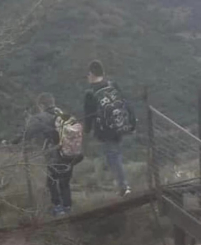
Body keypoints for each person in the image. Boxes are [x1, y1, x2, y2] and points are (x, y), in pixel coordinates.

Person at [12, 92, 79, 216]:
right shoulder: (63, 114)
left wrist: (14, 141)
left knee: (52, 181)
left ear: (41, 105)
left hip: (55, 154)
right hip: (70, 152)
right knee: (64, 181)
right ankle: (68, 207)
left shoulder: (40, 117)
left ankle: (58, 208)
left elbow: (28, 132)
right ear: (53, 102)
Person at [84, 60, 136, 197]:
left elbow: (88, 116)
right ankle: (121, 185)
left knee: (113, 156)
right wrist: (132, 122)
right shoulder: (113, 85)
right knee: (115, 155)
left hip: (106, 131)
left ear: (91, 74)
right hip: (121, 125)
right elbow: (126, 103)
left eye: (88, 74)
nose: (87, 77)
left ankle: (123, 187)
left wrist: (86, 131)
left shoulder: (90, 93)